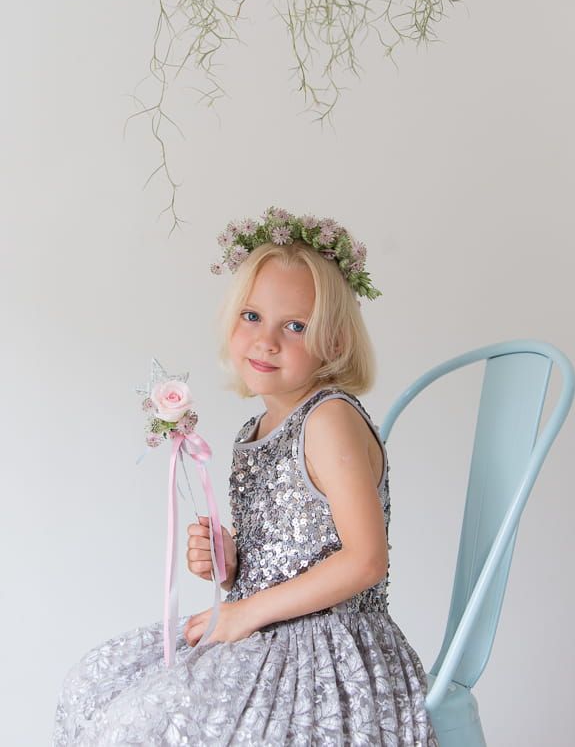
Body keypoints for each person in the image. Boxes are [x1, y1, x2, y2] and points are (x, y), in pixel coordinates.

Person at [53, 208, 438, 747]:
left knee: (148, 722)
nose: (266, 340)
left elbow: (366, 560)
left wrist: (243, 613)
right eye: (252, 316)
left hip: (333, 651)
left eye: (296, 326)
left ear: (334, 342)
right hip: (271, 629)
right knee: (94, 684)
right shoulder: (251, 431)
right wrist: (233, 564)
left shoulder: (329, 420)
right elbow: (286, 561)